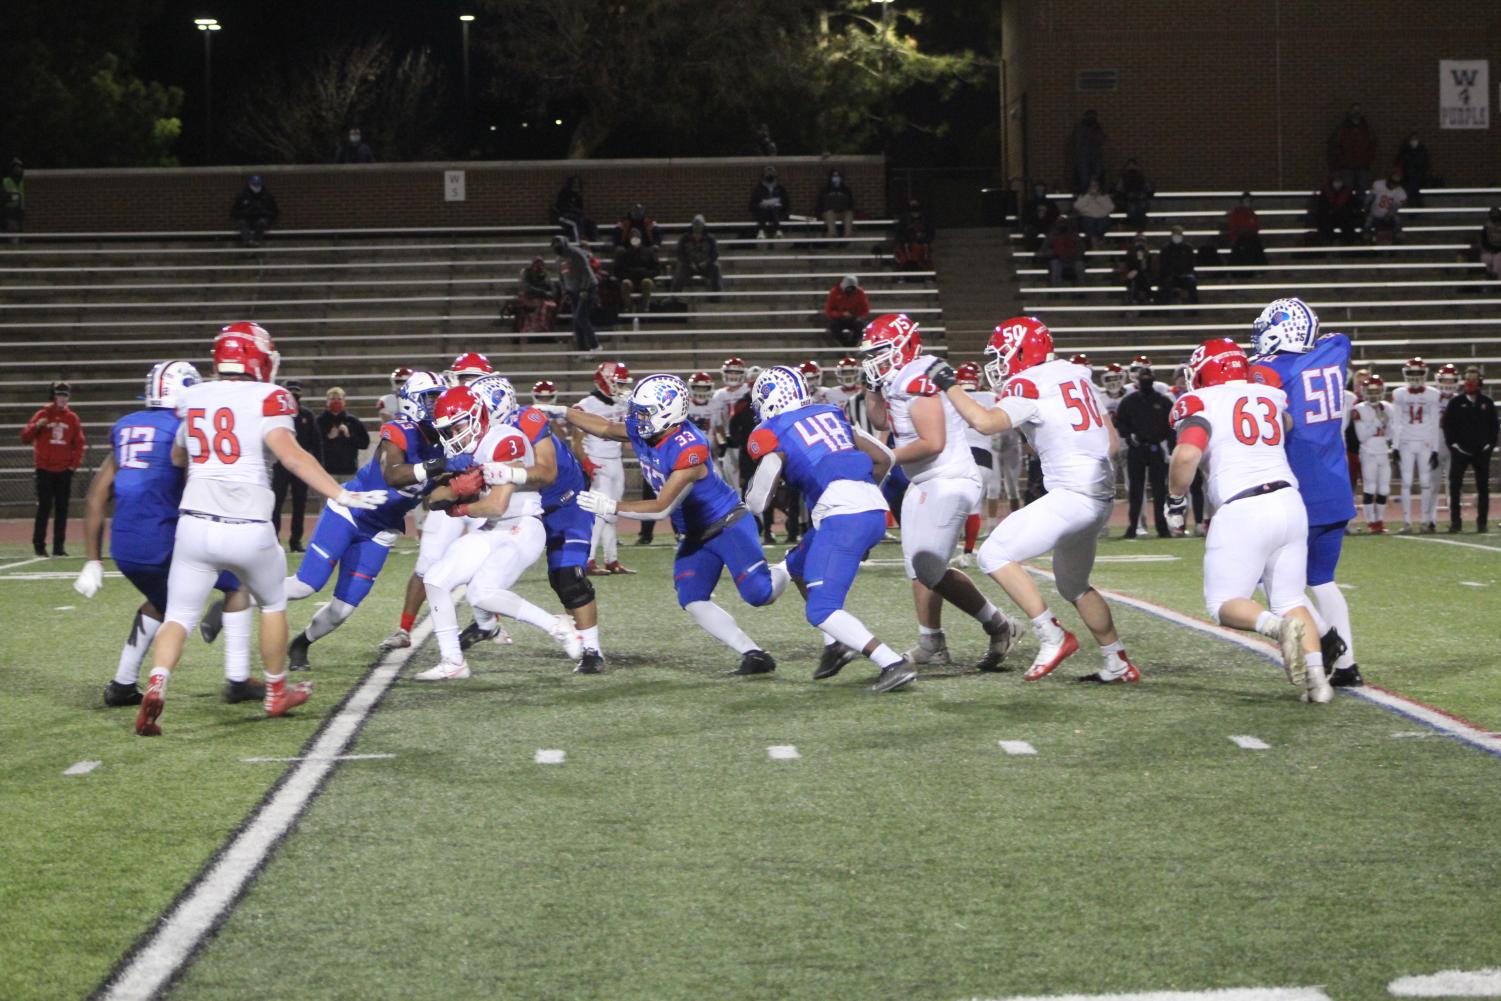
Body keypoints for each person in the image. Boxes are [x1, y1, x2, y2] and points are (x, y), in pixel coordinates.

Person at [131, 322, 388, 736]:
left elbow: (178, 457)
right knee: (271, 604)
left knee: (178, 614)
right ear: (258, 357)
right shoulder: (269, 396)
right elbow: (292, 457)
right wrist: (340, 493)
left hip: (195, 524)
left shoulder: (193, 396)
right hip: (248, 526)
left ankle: (158, 681)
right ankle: (275, 692)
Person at [924, 317, 1134, 683]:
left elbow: (986, 423)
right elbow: (1112, 444)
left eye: (1003, 355)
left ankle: (1052, 635)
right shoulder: (1077, 375)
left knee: (994, 553)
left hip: (1073, 495)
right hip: (1100, 498)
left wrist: (950, 385)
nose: (999, 365)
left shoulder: (1028, 382)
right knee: (1074, 586)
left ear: (1023, 351)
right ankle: (1116, 661)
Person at [567, 375, 789, 675]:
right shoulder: (649, 430)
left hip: (726, 524)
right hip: (695, 533)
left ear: (666, 412)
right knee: (693, 597)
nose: (635, 419)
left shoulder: (690, 447)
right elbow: (606, 428)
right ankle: (753, 654)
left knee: (759, 594)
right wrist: (561, 412)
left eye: (643, 412)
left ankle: (792, 564)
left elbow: (662, 508)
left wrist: (611, 506)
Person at [75, 361, 262, 708]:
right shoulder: (184, 426)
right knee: (237, 585)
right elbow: (202, 482)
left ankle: (122, 685)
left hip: (125, 545)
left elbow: (96, 496)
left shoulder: (126, 427)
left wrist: (92, 560)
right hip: (164, 539)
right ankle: (238, 680)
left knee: (160, 602)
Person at [1165, 338, 1332, 703]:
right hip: (1289, 502)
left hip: (1243, 506)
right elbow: (1285, 422)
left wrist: (1175, 499)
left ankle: (1277, 628)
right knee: (1289, 596)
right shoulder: (1269, 395)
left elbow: (1187, 454)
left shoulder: (1201, 401)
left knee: (1224, 602)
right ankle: (1318, 682)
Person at [860, 313, 1020, 672]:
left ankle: (999, 625)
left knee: (929, 567)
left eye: (881, 352)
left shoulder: (916, 377)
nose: (874, 360)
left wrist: (884, 457)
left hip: (948, 478)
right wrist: (871, 386)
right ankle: (930, 641)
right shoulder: (898, 378)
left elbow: (933, 442)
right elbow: (882, 421)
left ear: (904, 346)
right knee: (917, 567)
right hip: (925, 480)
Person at [745, 367, 916, 692]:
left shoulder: (773, 430)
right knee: (797, 566)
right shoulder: (829, 413)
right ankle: (836, 644)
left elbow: (757, 502)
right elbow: (885, 458)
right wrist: (863, 499)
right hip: (871, 508)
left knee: (822, 608)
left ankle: (892, 661)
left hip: (842, 515)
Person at [280, 370, 457, 671]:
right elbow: (394, 474)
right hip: (351, 511)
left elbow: (432, 498)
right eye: (431, 398)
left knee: (342, 610)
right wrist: (440, 464)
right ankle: (240, 595)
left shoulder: (447, 443)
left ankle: (301, 643)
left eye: (440, 397)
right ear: (413, 401)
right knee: (305, 586)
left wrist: (460, 490)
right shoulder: (400, 429)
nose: (437, 404)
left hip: (381, 529)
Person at [409, 381, 586, 680]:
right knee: (436, 579)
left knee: (482, 592)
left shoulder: (506, 439)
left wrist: (459, 507)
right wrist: (452, 487)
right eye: (447, 430)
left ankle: (558, 627)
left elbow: (497, 505)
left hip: (521, 526)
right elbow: (432, 500)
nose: (453, 435)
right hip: (491, 529)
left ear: (476, 416)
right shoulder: (461, 447)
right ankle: (454, 662)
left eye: (457, 426)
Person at [1249, 297, 1362, 687]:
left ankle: (1329, 643)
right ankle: (1349, 667)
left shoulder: (1269, 370)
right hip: (1337, 486)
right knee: (1323, 579)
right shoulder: (1334, 351)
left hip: (1300, 488)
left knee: (1271, 581)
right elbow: (1337, 338)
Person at [573, 362, 635, 576]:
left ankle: (612, 559)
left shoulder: (622, 403)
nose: (621, 387)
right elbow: (576, 441)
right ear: (604, 381)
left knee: (613, 511)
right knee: (598, 512)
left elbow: (627, 439)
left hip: (615, 461)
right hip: (597, 460)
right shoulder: (587, 404)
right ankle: (588, 560)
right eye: (618, 382)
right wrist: (586, 462)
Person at [22, 380, 85, 557]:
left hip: (64, 470)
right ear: (53, 395)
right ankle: (39, 545)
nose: (62, 398)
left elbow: (79, 444)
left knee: (62, 509)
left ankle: (59, 546)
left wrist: (73, 465)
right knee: (44, 507)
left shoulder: (72, 418)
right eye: (59, 394)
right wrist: (37, 426)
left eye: (65, 395)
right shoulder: (42, 414)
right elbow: (25, 437)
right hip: (44, 469)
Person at [1114, 365, 1174, 538]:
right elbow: (1120, 422)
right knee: (1135, 491)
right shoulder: (1129, 401)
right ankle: (1133, 526)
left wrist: (1170, 447)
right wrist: (1129, 436)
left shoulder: (1163, 401)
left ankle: (1162, 527)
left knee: (1159, 491)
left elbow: (1171, 426)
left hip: (1156, 449)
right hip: (1136, 449)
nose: (1146, 381)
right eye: (1143, 378)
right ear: (1138, 381)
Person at [952, 362, 1000, 565]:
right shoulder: (991, 398)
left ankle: (945, 550)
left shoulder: (950, 399)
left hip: (958, 456)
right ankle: (968, 552)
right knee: (974, 507)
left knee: (952, 507)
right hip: (984, 457)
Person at [1390, 357, 1442, 534]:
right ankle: (1407, 522)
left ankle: (1425, 521)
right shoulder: (1399, 393)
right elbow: (1396, 421)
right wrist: (1395, 445)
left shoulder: (1433, 394)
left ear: (1425, 373)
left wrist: (1435, 448)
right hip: (1405, 441)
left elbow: (1435, 422)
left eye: (1418, 372)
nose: (1414, 376)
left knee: (1426, 482)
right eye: (1411, 372)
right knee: (1406, 482)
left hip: (1425, 441)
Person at [1444, 366, 1497, 533]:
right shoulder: (1455, 403)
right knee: (1455, 486)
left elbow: (1494, 427)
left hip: (1481, 452)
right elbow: (1448, 427)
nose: (1470, 383)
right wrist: (1453, 445)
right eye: (1468, 379)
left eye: (1474, 379)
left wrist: (1489, 446)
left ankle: (1482, 523)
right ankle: (1455, 522)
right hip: (1460, 451)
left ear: (1479, 382)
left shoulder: (1487, 403)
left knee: (1483, 487)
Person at [271, 379, 322, 552]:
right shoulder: (277, 414)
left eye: (296, 392)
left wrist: (318, 467)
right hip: (280, 465)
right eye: (291, 392)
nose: (294, 395)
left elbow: (316, 442)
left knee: (300, 504)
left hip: (300, 466)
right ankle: (274, 539)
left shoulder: (307, 415)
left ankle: (296, 540)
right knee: (276, 503)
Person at [1350, 375, 1393, 534]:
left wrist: (1387, 428)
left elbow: (1391, 433)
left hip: (1383, 451)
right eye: (1370, 391)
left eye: (1376, 391)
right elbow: (1362, 437)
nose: (1374, 395)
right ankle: (1370, 522)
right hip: (1368, 452)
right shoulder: (1359, 409)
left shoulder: (1388, 407)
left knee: (1384, 489)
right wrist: (1377, 421)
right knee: (1370, 486)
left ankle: (1379, 521)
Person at [710, 357, 752, 492]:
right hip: (730, 443)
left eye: (736, 372)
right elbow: (717, 424)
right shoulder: (719, 395)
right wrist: (722, 442)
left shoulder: (748, 390)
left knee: (750, 479)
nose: (733, 376)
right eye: (730, 372)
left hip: (748, 442)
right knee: (732, 483)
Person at [552, 235, 600, 353]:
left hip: (587, 287)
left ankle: (595, 345)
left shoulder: (576, 254)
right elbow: (561, 278)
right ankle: (582, 349)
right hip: (573, 291)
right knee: (576, 320)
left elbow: (586, 272)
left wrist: (584, 289)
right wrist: (565, 292)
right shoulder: (559, 260)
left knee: (580, 316)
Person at [316, 387, 370, 477]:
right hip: (326, 472)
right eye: (332, 399)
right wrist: (328, 438)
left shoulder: (353, 421)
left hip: (349, 471)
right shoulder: (319, 421)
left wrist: (349, 436)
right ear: (327, 401)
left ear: (344, 401)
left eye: (339, 399)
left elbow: (364, 444)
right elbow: (312, 445)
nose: (336, 402)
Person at [1328, 103, 1377, 193]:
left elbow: (1373, 144)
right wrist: (1341, 160)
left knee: (1362, 190)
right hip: (1347, 166)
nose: (1356, 112)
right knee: (1346, 190)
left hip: (1363, 165)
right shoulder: (1342, 128)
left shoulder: (1367, 128)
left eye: (1358, 110)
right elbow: (1335, 144)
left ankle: (1359, 206)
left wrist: (1368, 159)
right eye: (1354, 110)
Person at [612, 228, 660, 311]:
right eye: (632, 237)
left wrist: (644, 273)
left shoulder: (649, 252)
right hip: (630, 280)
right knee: (625, 283)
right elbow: (618, 271)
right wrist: (632, 273)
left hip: (645, 278)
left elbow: (657, 269)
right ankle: (628, 307)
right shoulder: (625, 254)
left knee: (647, 282)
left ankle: (644, 307)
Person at [673, 215, 722, 292]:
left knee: (716, 267)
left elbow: (715, 253)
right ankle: (674, 296)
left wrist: (706, 262)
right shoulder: (684, 238)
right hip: (689, 266)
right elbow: (680, 253)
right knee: (680, 270)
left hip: (706, 265)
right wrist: (689, 263)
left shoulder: (710, 239)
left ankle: (716, 297)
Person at [230, 175, 278, 247]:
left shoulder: (267, 196)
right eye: (254, 184)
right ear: (250, 184)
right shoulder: (243, 195)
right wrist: (246, 212)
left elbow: (275, 211)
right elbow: (234, 212)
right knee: (242, 222)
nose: (256, 187)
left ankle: (256, 241)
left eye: (258, 184)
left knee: (262, 222)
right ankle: (248, 241)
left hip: (261, 219)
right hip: (246, 219)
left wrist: (263, 212)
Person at [1155, 225, 1199, 305]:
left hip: (1185, 276)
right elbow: (1163, 264)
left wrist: (1186, 273)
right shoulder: (1166, 248)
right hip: (1170, 276)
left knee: (1192, 282)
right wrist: (1170, 273)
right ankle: (1164, 310)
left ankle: (1194, 310)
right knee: (1166, 284)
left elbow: (1191, 264)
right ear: (1171, 235)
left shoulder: (1188, 248)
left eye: (1179, 234)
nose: (1177, 236)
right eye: (1175, 234)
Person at [515, 256, 559, 333]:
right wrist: (542, 292)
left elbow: (552, 287)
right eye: (537, 263)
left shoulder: (545, 274)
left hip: (543, 297)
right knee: (540, 304)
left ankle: (547, 328)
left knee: (552, 305)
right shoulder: (527, 273)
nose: (538, 266)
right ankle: (536, 328)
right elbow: (527, 287)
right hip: (530, 297)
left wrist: (551, 293)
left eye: (540, 264)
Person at [1312, 175, 1360, 245]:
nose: (1338, 182)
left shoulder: (1347, 191)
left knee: (1348, 226)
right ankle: (1327, 243)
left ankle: (1348, 244)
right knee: (1324, 225)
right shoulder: (1326, 190)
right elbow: (1322, 205)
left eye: (1339, 180)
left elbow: (1352, 204)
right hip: (1329, 216)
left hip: (1344, 216)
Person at [824, 275, 870, 348]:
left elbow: (865, 310)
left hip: (854, 318)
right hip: (839, 319)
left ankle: (853, 345)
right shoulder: (834, 292)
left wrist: (855, 315)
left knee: (860, 325)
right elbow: (829, 311)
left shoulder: (860, 292)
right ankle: (844, 344)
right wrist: (841, 314)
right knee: (833, 326)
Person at [1068, 109, 1106, 194]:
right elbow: (1078, 142)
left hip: (1095, 156)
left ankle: (1095, 194)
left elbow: (1101, 139)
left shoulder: (1097, 127)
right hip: (1084, 157)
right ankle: (1085, 195)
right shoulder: (1081, 127)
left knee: (1096, 177)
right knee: (1084, 180)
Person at [1363, 170, 1408, 242]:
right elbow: (1370, 197)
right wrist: (1366, 206)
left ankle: (1397, 232)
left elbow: (1395, 207)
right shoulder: (1378, 184)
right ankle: (1367, 232)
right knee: (1368, 219)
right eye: (1392, 182)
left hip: (1388, 215)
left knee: (1397, 218)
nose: (1392, 185)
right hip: (1374, 211)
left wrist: (1389, 215)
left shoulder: (1401, 193)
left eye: (1395, 183)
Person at [1040, 215, 1085, 286]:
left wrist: (1074, 255)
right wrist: (1054, 253)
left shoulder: (1075, 235)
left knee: (1080, 266)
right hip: (1057, 259)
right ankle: (1056, 291)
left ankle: (1080, 292)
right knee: (1055, 266)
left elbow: (1081, 248)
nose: (1062, 225)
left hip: (1074, 259)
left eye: (1064, 223)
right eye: (1060, 223)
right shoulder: (1051, 236)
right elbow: (1043, 250)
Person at [1224, 192, 1266, 266]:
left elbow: (1255, 227)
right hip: (1241, 238)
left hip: (1250, 237)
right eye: (1246, 201)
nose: (1248, 203)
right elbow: (1234, 227)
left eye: (1249, 201)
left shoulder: (1251, 213)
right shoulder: (1237, 213)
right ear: (1242, 202)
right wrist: (1235, 238)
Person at [749, 165, 790, 239]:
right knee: (767, 208)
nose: (769, 174)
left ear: (775, 174)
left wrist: (779, 204)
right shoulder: (758, 189)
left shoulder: (780, 188)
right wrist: (761, 205)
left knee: (773, 208)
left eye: (771, 172)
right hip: (762, 212)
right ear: (763, 175)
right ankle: (777, 230)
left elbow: (786, 203)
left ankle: (762, 230)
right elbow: (752, 204)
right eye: (767, 172)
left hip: (778, 213)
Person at [552, 175, 596, 242]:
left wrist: (578, 212)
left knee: (591, 223)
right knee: (575, 224)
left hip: (576, 217)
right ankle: (576, 243)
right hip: (563, 217)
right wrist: (572, 210)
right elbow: (560, 207)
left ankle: (594, 244)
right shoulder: (564, 193)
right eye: (574, 183)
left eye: (577, 184)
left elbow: (580, 209)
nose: (576, 186)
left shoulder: (578, 196)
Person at [893, 200, 935, 270]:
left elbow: (931, 232)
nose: (915, 212)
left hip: (922, 244)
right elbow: (899, 233)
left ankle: (927, 275)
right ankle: (903, 274)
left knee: (926, 256)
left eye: (917, 209)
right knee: (902, 254)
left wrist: (925, 241)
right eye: (913, 209)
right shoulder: (904, 219)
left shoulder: (926, 219)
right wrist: (905, 241)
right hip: (907, 245)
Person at [1112, 158, 1153, 228]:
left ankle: (1138, 227)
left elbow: (1149, 189)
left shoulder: (1142, 178)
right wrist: (1126, 196)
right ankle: (1136, 227)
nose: (1132, 167)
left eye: (1134, 165)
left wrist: (1142, 195)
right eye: (1130, 165)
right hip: (1128, 201)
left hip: (1140, 200)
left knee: (1140, 207)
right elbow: (1118, 191)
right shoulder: (1123, 178)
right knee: (1133, 208)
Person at [1072, 179, 1114, 245]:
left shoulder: (1104, 196)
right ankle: (1094, 240)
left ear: (1099, 186)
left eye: (1095, 185)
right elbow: (1077, 206)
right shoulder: (1083, 196)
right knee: (1088, 222)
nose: (1093, 187)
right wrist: (1088, 196)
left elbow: (1111, 208)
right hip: (1088, 218)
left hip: (1102, 218)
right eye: (1091, 186)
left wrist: (1098, 197)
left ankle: (1098, 240)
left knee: (1102, 224)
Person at [815, 168, 856, 237]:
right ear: (831, 178)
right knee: (829, 213)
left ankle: (848, 233)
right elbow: (820, 204)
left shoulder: (846, 190)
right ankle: (832, 233)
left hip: (842, 212)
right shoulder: (825, 190)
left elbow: (851, 204)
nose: (836, 178)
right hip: (829, 213)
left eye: (838, 176)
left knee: (849, 213)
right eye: (834, 176)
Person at [1021, 181, 1060, 253]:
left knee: (1053, 232)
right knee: (1030, 232)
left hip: (1047, 224)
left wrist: (1047, 214)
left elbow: (1056, 214)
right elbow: (1025, 217)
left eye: (1042, 190)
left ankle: (1044, 252)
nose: (1040, 192)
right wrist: (1036, 215)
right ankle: (1031, 254)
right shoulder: (1029, 203)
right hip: (1034, 224)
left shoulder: (1049, 202)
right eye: (1038, 190)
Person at [1394, 133, 1430, 207]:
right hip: (1408, 176)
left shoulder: (1422, 150)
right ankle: (1417, 205)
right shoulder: (1405, 150)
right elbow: (1398, 161)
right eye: (1412, 139)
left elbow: (1424, 163)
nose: (1414, 141)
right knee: (1411, 191)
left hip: (1418, 176)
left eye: (1415, 139)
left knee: (1413, 190)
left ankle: (1417, 205)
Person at [1119, 232, 1152, 305]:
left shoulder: (1147, 254)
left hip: (1143, 275)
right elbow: (1127, 265)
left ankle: (1146, 300)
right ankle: (1134, 300)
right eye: (1138, 241)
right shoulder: (1130, 253)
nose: (1140, 244)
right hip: (1132, 275)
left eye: (1142, 241)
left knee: (1143, 280)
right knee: (1135, 282)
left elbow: (1148, 267)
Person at [2, 157, 24, 240]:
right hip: (11, 211)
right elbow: (3, 196)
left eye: (19, 167)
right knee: (13, 234)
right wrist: (13, 196)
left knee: (24, 233)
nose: (18, 169)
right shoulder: (6, 181)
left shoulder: (24, 180)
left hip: (23, 210)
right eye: (16, 167)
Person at [1478, 207, 1501, 280]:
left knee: (1498, 259)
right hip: (1488, 251)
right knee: (1487, 259)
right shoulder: (1487, 227)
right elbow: (1483, 242)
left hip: (1498, 252)